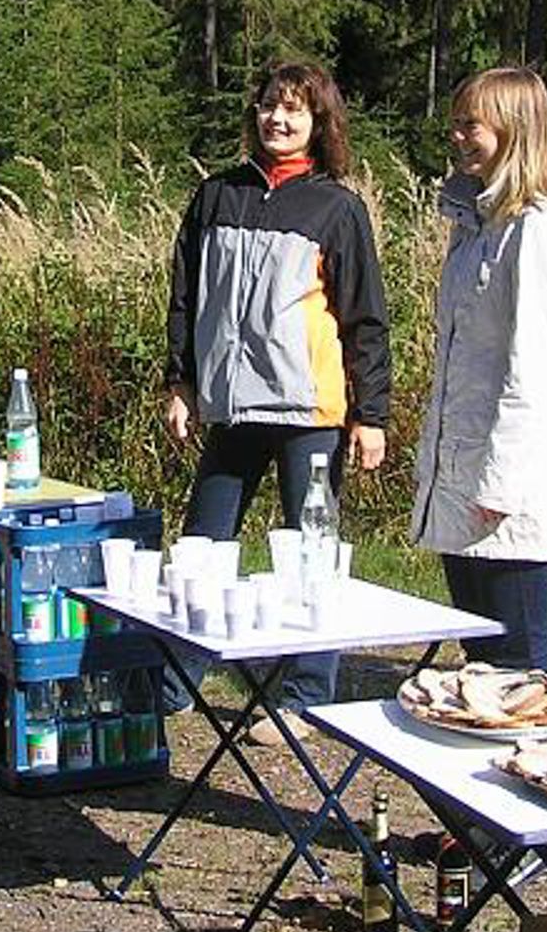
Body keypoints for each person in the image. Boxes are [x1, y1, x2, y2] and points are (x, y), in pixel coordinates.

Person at [163, 59, 391, 743]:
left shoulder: (337, 209)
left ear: (320, 122)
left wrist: (371, 415)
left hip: (309, 413)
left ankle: (304, 697)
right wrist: (180, 382)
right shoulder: (216, 195)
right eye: (269, 105)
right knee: (202, 547)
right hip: (230, 407)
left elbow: (365, 318)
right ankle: (175, 681)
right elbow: (184, 297)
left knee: (311, 558)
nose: (278, 119)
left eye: (294, 109)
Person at [411, 65, 547, 676]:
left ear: (515, 127)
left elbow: (535, 372)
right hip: (463, 470)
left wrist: (501, 486)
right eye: (455, 124)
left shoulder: (542, 231)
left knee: (520, 666)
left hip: (507, 485)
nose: (458, 137)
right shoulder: (478, 224)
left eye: (471, 124)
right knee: (481, 660)